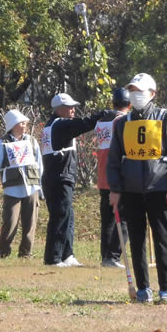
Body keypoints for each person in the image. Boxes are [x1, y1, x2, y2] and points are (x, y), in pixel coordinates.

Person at [107, 74, 167, 304]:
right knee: (137, 239)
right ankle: (143, 289)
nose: (136, 94)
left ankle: (166, 290)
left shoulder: (164, 117)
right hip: (131, 191)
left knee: (163, 238)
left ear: (152, 93)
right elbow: (114, 160)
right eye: (132, 90)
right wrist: (115, 188)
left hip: (159, 188)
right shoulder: (122, 123)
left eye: (140, 91)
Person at [41, 92, 110, 267]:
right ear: (59, 109)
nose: (73, 109)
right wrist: (102, 115)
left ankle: (67, 254)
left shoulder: (52, 125)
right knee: (60, 216)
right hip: (59, 177)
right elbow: (83, 124)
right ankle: (53, 258)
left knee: (68, 216)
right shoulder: (60, 125)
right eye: (70, 107)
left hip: (58, 176)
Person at [0, 109, 43, 258]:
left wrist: (41, 185)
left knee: (30, 223)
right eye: (21, 123)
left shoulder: (32, 141)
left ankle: (26, 253)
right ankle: (2, 252)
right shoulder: (3, 143)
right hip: (12, 188)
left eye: (25, 122)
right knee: (10, 222)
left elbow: (39, 163)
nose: (24, 125)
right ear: (13, 125)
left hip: (31, 186)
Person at [94, 87, 130, 268]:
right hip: (118, 176)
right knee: (123, 218)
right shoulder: (122, 121)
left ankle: (106, 256)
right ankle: (114, 256)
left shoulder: (101, 121)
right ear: (129, 104)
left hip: (102, 175)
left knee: (107, 219)